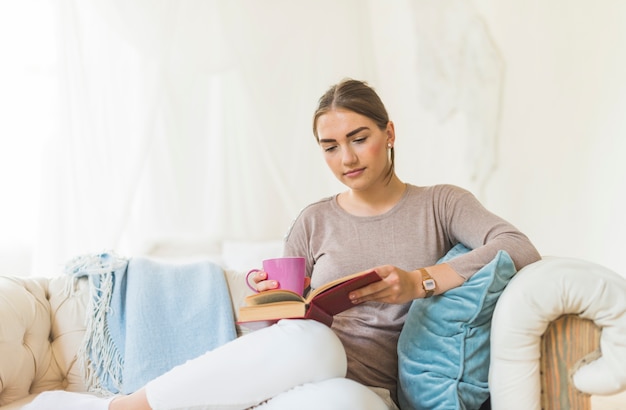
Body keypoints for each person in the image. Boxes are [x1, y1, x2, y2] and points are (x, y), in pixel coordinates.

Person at [25, 79, 541, 410]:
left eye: (358, 138)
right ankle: (126, 409)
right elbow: (272, 329)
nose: (346, 158)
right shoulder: (314, 219)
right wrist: (273, 300)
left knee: (350, 405)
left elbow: (517, 247)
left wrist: (418, 282)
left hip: (370, 389)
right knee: (313, 340)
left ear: (389, 133)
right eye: (330, 146)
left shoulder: (441, 203)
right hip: (301, 368)